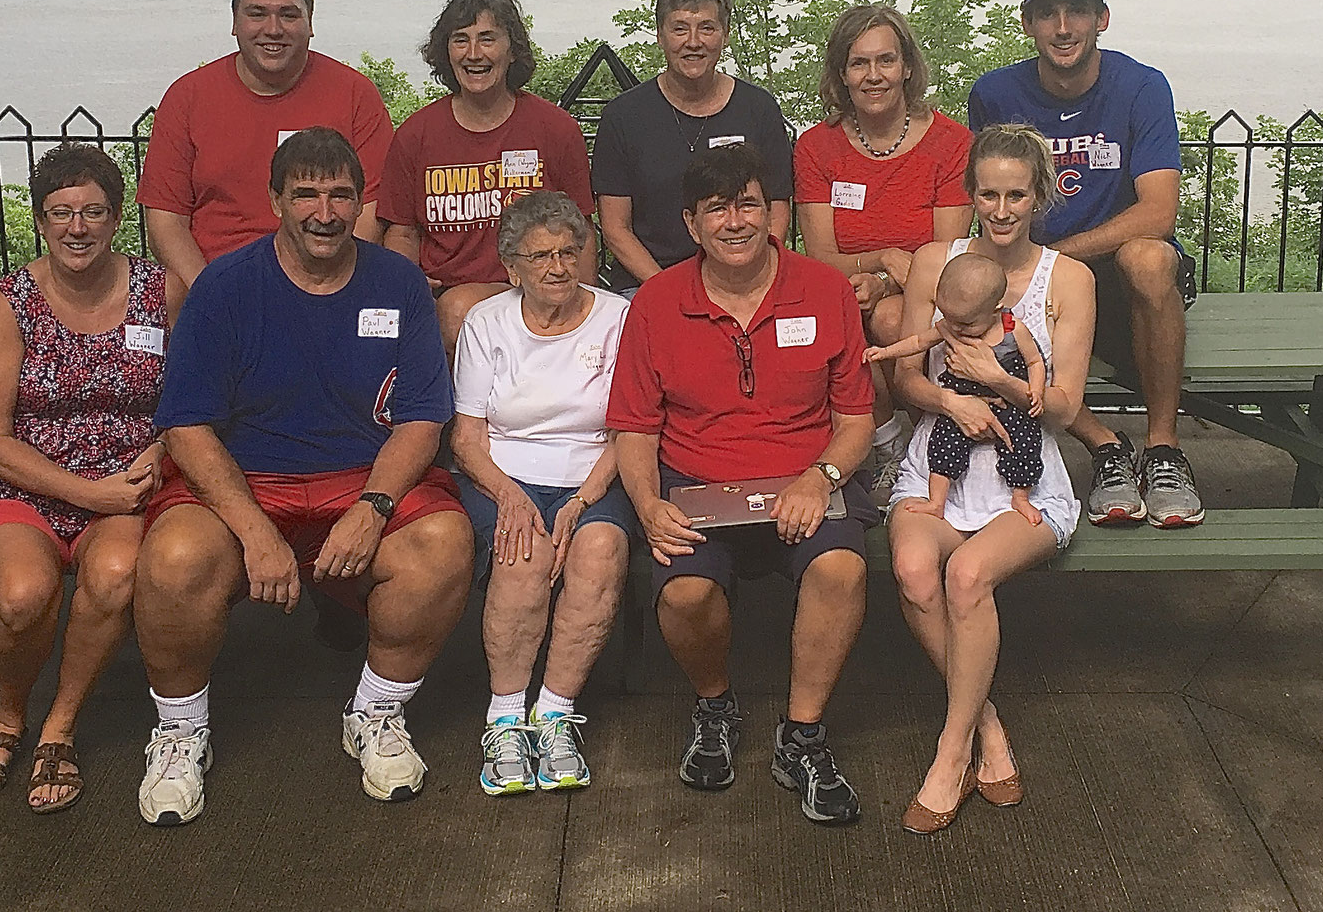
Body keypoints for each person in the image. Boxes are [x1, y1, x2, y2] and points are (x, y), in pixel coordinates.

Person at [131, 128, 474, 826]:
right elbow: (186, 425)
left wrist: (375, 505)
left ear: (359, 202)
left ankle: (376, 712)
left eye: (341, 193)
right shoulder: (225, 285)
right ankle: (179, 729)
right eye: (307, 193)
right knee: (172, 559)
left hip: (361, 475)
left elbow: (420, 418)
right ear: (275, 200)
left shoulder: (398, 282)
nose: (325, 210)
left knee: (444, 544)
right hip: (248, 476)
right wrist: (255, 532)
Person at [608, 144, 877, 826]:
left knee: (842, 568)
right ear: (692, 223)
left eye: (749, 203)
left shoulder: (825, 289)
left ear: (772, 214)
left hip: (805, 476)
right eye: (717, 208)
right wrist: (647, 504)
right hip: (698, 480)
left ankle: (803, 735)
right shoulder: (657, 302)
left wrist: (820, 478)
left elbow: (855, 420)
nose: (736, 220)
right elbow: (634, 429)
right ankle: (716, 705)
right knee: (685, 591)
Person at [0, 143, 181, 813]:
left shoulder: (160, 290)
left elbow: (196, 397)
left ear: (116, 220)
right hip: (23, 485)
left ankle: (60, 727)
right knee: (22, 595)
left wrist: (164, 449)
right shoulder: (11, 302)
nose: (76, 226)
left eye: (93, 211)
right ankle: (8, 716)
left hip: (127, 487)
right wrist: (85, 492)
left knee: (113, 576)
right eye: (61, 212)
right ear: (41, 221)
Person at [886, 124, 1096, 833]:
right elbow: (905, 376)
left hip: (1024, 476)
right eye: (988, 194)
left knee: (967, 577)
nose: (1001, 209)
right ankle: (987, 724)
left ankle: (950, 754)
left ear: (1039, 195)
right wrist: (953, 398)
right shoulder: (935, 263)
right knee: (916, 570)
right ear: (970, 194)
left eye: (1016, 194)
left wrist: (999, 380)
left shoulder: (1066, 279)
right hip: (940, 460)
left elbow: (1062, 407)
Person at [967, 0, 1201, 529]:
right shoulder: (995, 95)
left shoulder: (1140, 87)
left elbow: (1160, 212)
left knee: (1149, 259)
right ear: (1027, 23)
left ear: (1103, 18)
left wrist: (1059, 258)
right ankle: (1105, 448)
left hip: (1112, 273)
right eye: (1048, 13)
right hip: (1036, 281)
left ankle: (1164, 450)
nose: (1064, 27)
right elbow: (985, 198)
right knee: (989, 302)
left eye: (1078, 10)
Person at [449, 191, 635, 796]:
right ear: (512, 267)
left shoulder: (618, 317)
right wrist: (509, 495)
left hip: (595, 472)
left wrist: (583, 501)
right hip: (505, 473)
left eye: (568, 252)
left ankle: (554, 713)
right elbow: (467, 436)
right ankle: (504, 717)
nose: (558, 267)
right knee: (521, 553)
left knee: (600, 550)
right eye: (540, 256)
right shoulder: (486, 321)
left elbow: (632, 429)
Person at [138, 0, 395, 294]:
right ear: (234, 21)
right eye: (257, 14)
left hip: (327, 284)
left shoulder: (354, 95)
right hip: (218, 285)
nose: (273, 29)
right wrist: (211, 293)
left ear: (310, 22)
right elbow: (165, 220)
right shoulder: (188, 97)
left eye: (288, 15)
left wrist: (325, 285)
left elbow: (371, 212)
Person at [794, 3, 973, 467]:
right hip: (844, 293)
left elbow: (945, 255)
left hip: (930, 293)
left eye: (885, 60)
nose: (873, 75)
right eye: (859, 63)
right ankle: (890, 441)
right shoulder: (816, 147)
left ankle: (935, 442)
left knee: (892, 318)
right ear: (842, 73)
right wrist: (883, 259)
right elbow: (819, 257)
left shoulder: (951, 144)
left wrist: (888, 282)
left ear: (907, 67)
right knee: (842, 315)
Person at [379, 0, 593, 355]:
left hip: (541, 286)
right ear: (445, 52)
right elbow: (402, 231)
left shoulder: (555, 129)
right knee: (457, 309)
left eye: (488, 39)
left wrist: (585, 315)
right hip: (446, 303)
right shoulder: (416, 134)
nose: (474, 54)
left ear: (512, 50)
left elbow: (583, 230)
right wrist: (409, 291)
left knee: (463, 308)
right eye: (460, 40)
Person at [593, 0, 793, 292]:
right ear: (660, 35)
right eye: (680, 29)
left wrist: (751, 275)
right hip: (649, 284)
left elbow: (778, 209)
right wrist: (669, 291)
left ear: (725, 35)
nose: (694, 42)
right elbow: (615, 228)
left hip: (743, 280)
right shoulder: (623, 117)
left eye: (707, 28)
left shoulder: (759, 110)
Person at [863, 252, 1048, 523]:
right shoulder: (952, 324)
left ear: (995, 310)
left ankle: (1020, 496)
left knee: (1025, 441)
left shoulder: (1012, 329)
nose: (955, 328)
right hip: (960, 398)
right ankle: (937, 501)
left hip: (1006, 402)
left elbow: (1035, 361)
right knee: (943, 443)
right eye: (949, 318)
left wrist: (1036, 390)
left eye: (966, 323)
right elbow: (917, 343)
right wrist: (886, 352)